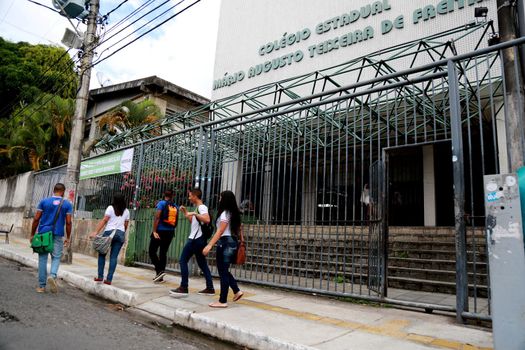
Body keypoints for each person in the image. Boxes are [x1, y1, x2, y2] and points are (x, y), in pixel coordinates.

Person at [170, 188, 215, 296]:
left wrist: (194, 214)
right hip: (198, 239)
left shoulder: (202, 207)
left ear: (195, 196)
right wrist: (186, 212)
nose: (189, 198)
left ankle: (184, 287)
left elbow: (207, 219)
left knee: (182, 260)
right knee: (202, 264)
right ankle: (210, 288)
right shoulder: (197, 208)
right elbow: (193, 223)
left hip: (195, 240)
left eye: (190, 196)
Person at [202, 190, 243, 308]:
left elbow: (220, 231)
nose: (219, 199)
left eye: (220, 198)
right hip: (232, 242)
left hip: (225, 243)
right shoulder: (234, 214)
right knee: (224, 270)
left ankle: (222, 301)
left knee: (223, 272)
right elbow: (240, 229)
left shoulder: (225, 213)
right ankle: (236, 291)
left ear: (224, 199)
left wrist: (209, 245)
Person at [29, 183, 73, 293]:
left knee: (42, 259)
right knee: (56, 257)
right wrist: (68, 237)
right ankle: (52, 276)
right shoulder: (67, 204)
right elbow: (68, 222)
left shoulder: (44, 202)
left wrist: (32, 234)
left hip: (43, 234)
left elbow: (36, 219)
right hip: (58, 234)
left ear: (54, 190)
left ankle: (41, 286)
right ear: (63, 192)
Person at [89, 193, 130, 285]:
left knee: (102, 254)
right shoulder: (127, 211)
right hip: (120, 233)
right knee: (113, 257)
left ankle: (100, 277)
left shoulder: (110, 208)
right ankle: (109, 279)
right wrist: (122, 233)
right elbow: (126, 224)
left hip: (108, 233)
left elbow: (105, 220)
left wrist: (96, 231)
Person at [149, 190, 178, 283]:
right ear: (173, 196)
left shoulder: (161, 203)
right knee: (163, 253)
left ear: (164, 195)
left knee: (152, 251)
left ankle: (159, 270)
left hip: (160, 231)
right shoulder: (175, 206)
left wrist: (154, 231)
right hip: (170, 233)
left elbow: (157, 217)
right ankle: (160, 277)